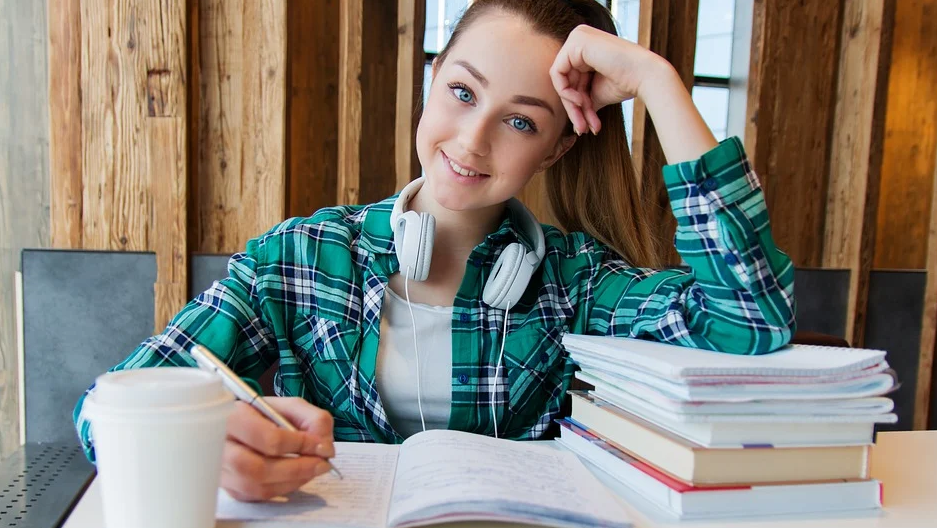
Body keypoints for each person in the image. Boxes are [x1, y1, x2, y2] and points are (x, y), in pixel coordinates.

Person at [74, 0, 795, 502]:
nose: (471, 141)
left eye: (519, 120)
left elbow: (749, 320)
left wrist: (655, 83)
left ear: (555, 148)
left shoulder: (575, 285)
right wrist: (208, 443)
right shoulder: (298, 259)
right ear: (432, 79)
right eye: (460, 91)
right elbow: (103, 409)